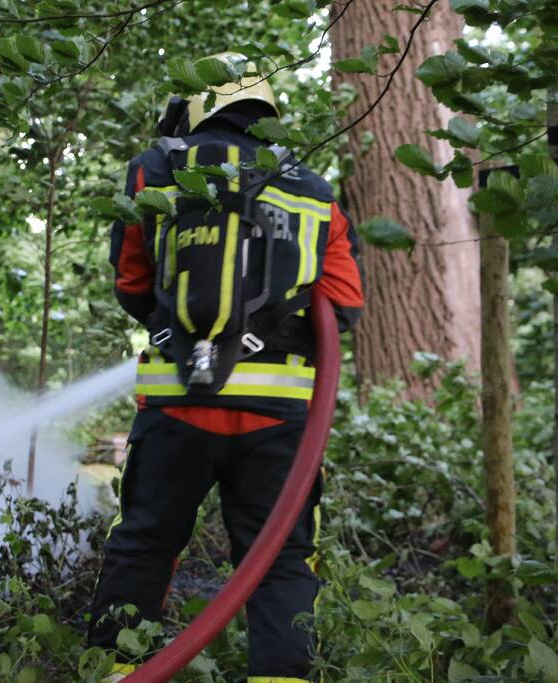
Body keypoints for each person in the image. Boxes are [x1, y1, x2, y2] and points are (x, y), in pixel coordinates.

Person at [87, 53, 364, 683]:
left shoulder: (155, 169)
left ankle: (117, 671)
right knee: (282, 559)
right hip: (279, 416)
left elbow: (131, 283)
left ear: (194, 107)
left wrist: (180, 327)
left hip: (177, 406)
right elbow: (345, 305)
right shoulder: (312, 188)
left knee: (144, 542)